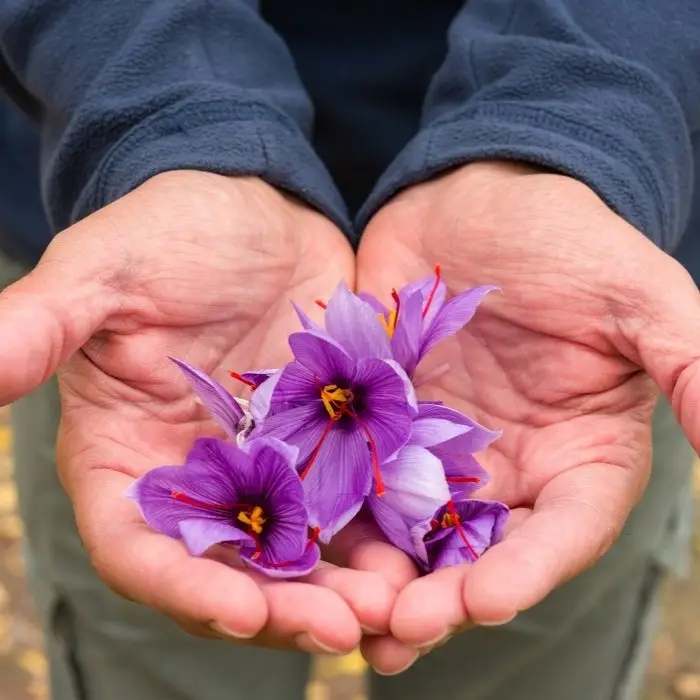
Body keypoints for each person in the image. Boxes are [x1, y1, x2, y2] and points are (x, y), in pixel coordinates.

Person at [1, 1, 699, 698]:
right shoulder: (277, 400)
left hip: (575, 289)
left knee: (527, 654)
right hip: (137, 243)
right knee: (166, 658)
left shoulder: (390, 395)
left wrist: (577, 135)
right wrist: (170, 131)